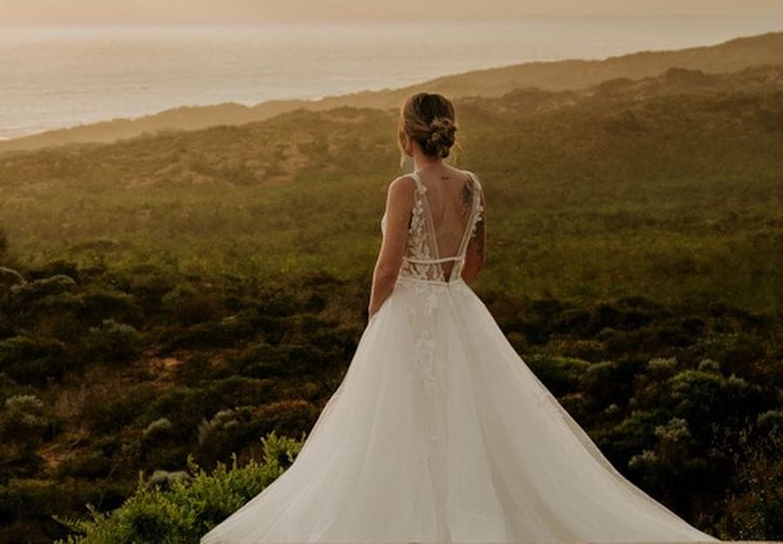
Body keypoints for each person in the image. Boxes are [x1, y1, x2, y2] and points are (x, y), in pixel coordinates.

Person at [201, 91, 715, 544]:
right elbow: (476, 259)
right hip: (457, 307)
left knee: (395, 427)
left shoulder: (404, 189)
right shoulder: (471, 185)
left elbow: (387, 266)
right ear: (445, 134)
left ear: (406, 137)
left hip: (409, 312)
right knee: (470, 420)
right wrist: (448, 296)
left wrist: (378, 318)